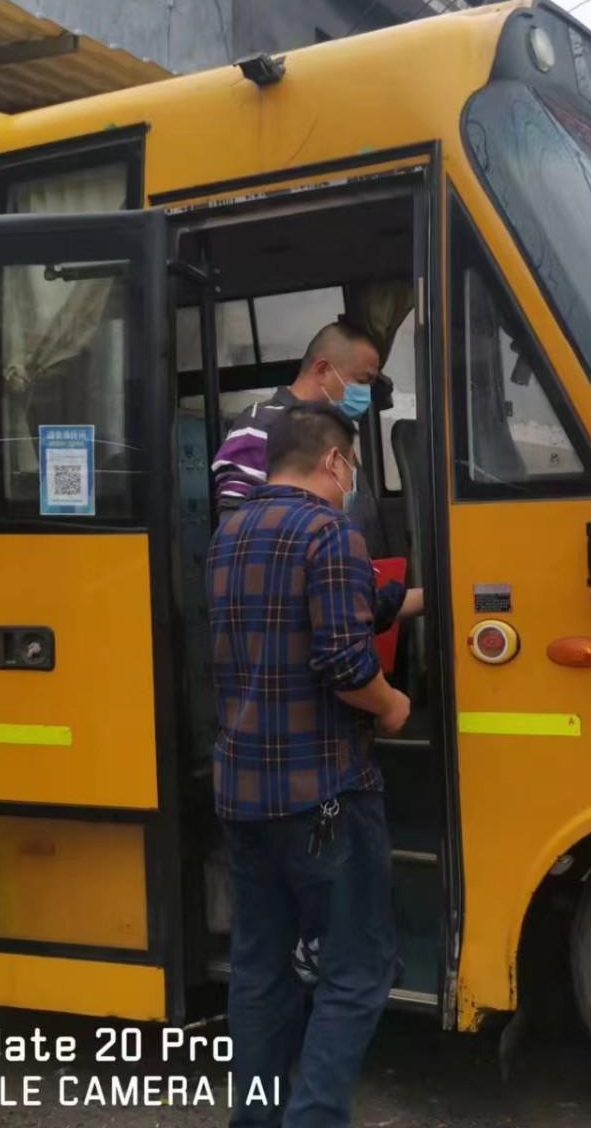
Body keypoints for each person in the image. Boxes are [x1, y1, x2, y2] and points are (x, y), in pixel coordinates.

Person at [209, 403, 412, 1127]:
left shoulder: (230, 535)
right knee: (355, 970)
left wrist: (408, 599)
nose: (350, 479)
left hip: (244, 796)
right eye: (352, 465)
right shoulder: (330, 532)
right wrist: (391, 705)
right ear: (332, 461)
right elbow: (343, 662)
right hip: (324, 800)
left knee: (261, 972)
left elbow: (302, 616)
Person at [211, 318, 381, 515]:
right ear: (323, 370)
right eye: (361, 381)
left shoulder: (332, 431)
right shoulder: (260, 424)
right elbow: (238, 524)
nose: (365, 393)